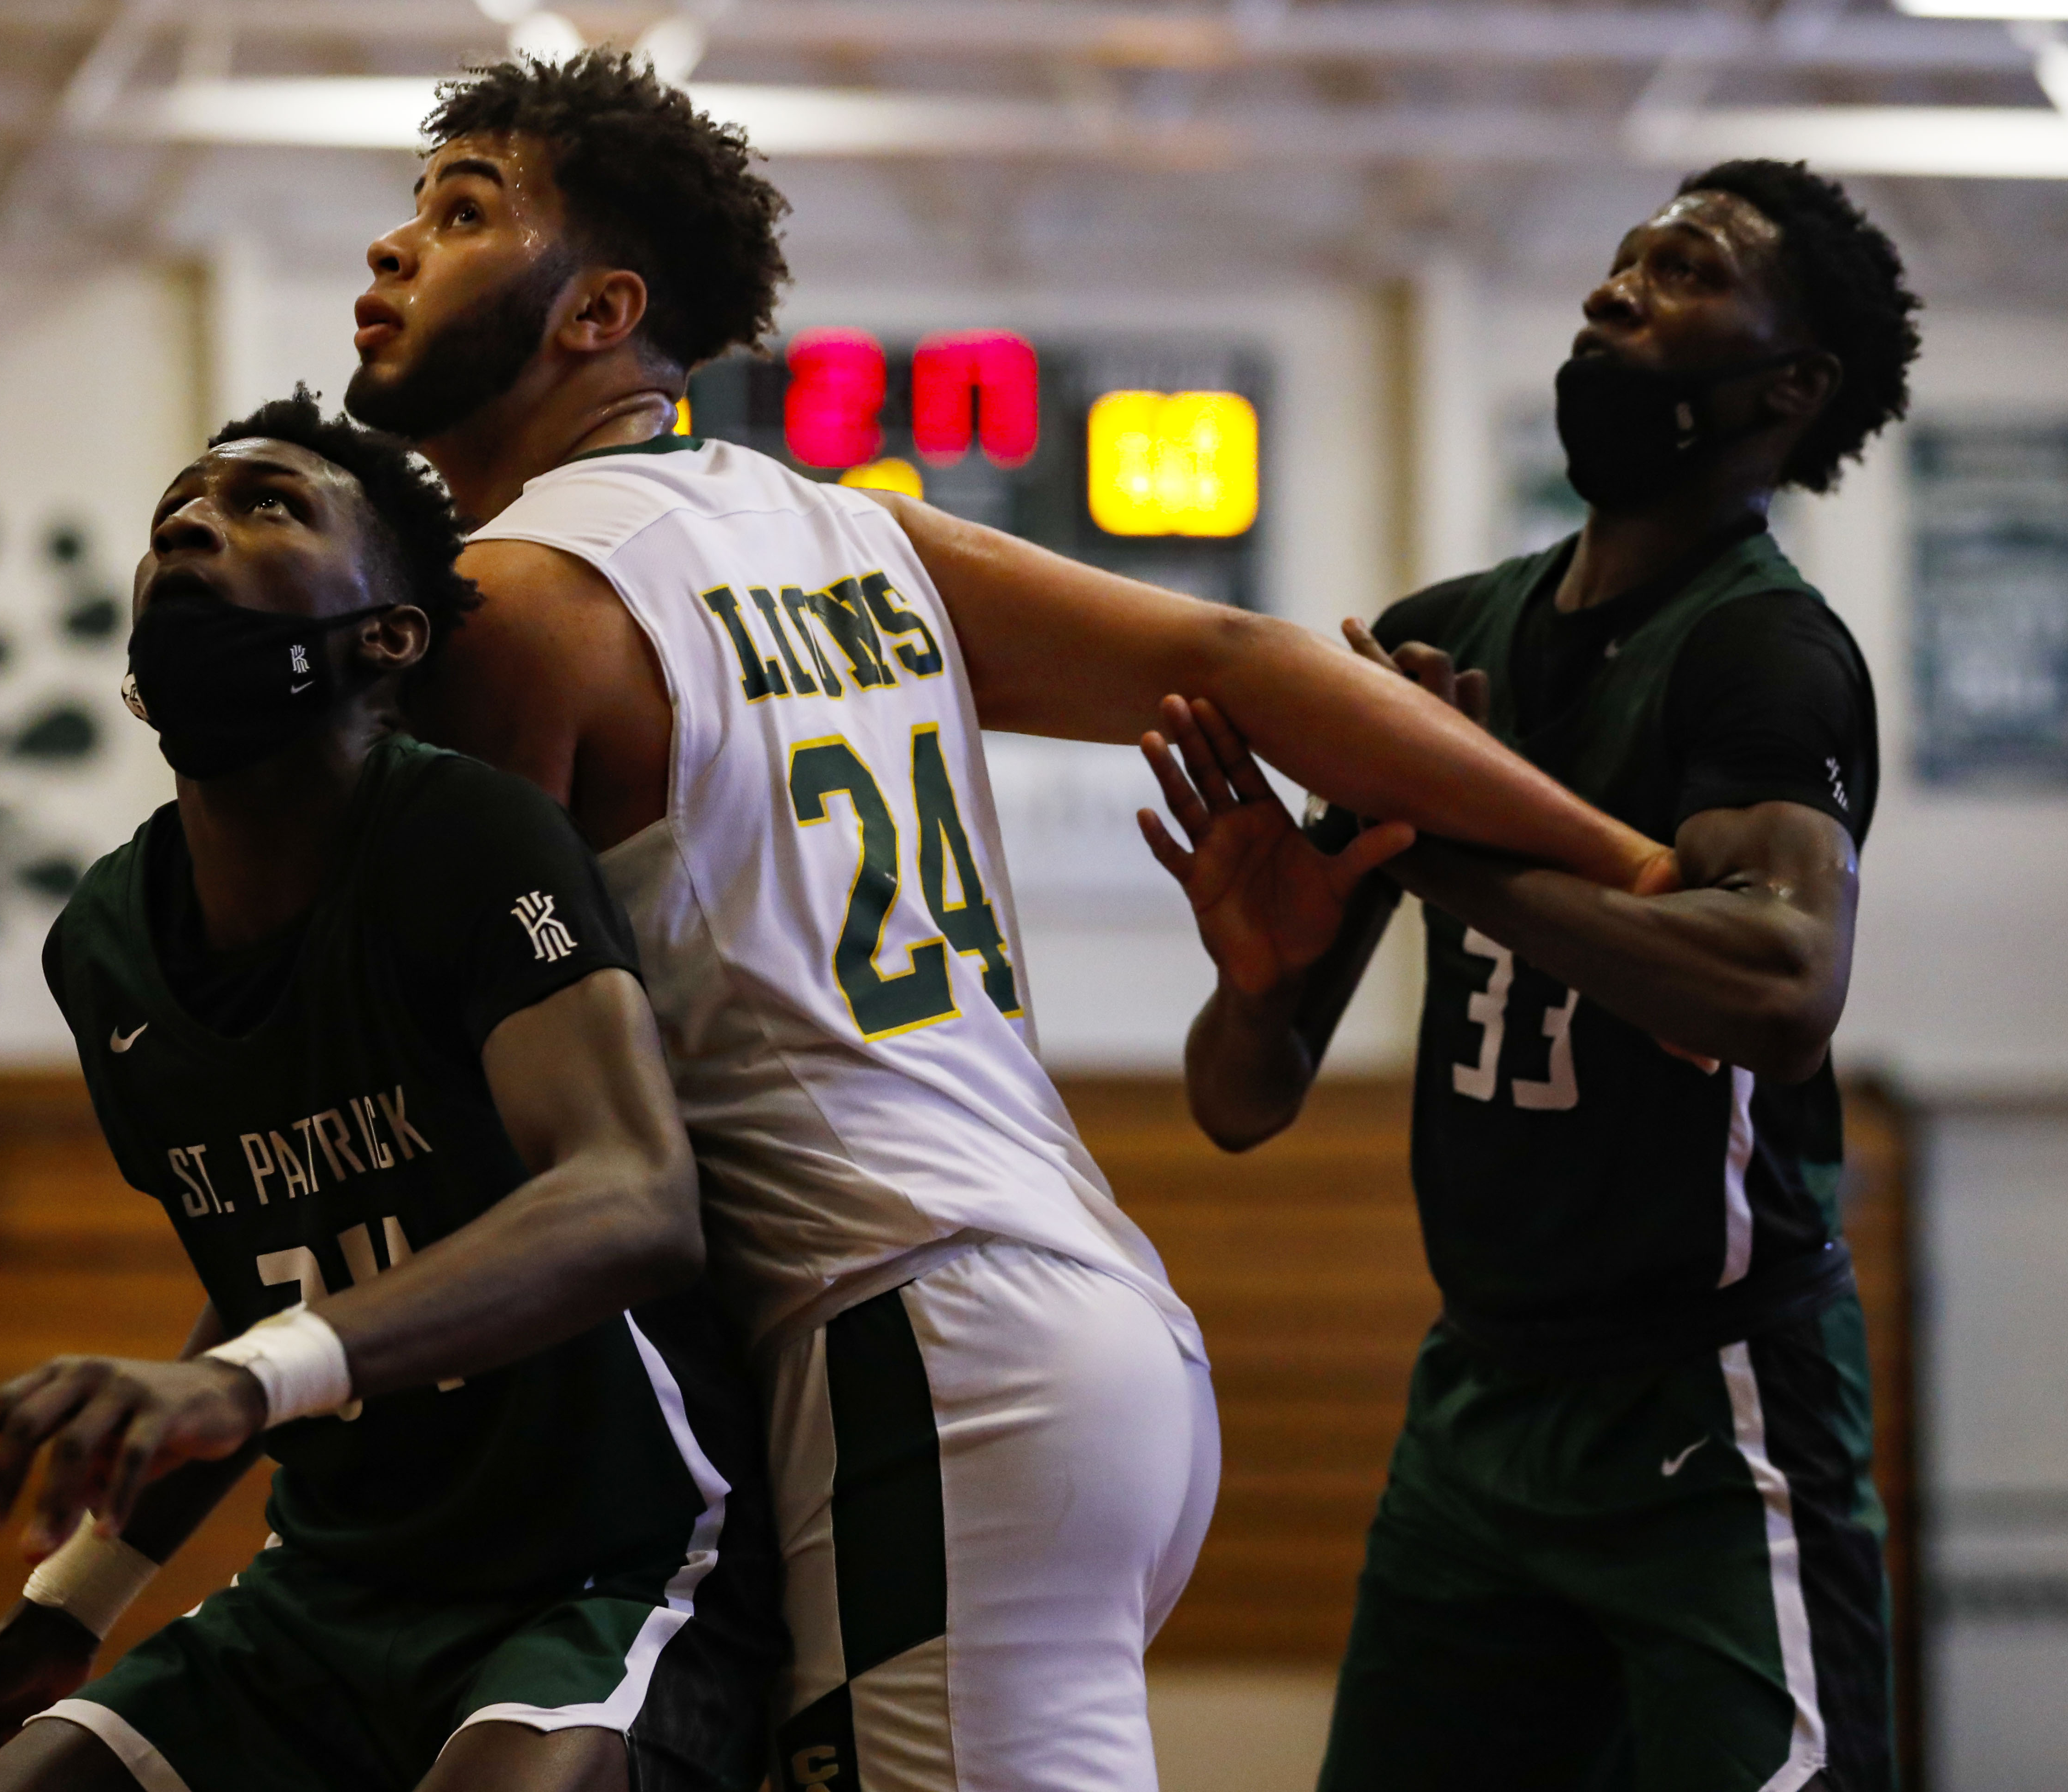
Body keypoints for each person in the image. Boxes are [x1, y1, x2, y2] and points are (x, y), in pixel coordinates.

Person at [352, 50, 1676, 1792]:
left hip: (911, 1347)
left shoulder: (512, 604)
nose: (389, 252)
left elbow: (455, 1100)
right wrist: (1635, 867)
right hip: (1057, 1318)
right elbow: (1238, 659)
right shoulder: (848, 533)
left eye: (458, 217)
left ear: (601, 310)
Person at [1142, 159, 1915, 1792]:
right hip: (1483, 1397)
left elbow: (1779, 987)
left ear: (1792, 385)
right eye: (1621, 257)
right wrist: (1256, 980)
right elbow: (1237, 1106)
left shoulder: (1764, 650)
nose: (1613, 289)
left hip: (1710, 1392)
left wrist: (1446, 852)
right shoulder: (1445, 638)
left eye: (1684, 268)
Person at [0, 392, 783, 1792]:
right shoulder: (106, 944)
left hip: (605, 1568)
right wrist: (62, 1604)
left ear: (389, 634)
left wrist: (236, 1381)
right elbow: (274, 1295)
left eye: (268, 506)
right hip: (332, 1587)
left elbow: (637, 1198)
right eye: (173, 515)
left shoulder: (467, 831)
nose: (192, 522)